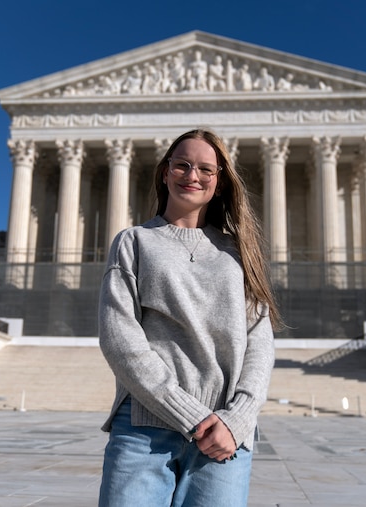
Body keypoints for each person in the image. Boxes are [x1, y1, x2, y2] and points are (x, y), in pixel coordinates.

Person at [98, 128, 281, 506]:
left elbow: (259, 341)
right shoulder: (134, 241)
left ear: (219, 182)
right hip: (146, 427)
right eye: (181, 165)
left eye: (205, 169)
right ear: (165, 172)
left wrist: (238, 419)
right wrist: (192, 416)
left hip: (225, 431)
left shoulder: (239, 251)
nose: (192, 175)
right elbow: (120, 339)